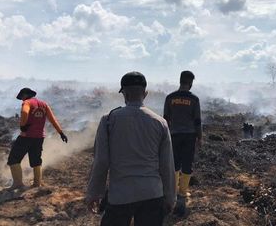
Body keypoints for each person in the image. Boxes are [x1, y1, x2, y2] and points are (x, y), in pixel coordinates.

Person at [86, 71, 175, 226]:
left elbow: (101, 161)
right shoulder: (160, 123)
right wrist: (170, 197)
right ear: (145, 94)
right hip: (152, 194)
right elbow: (167, 165)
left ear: (124, 94)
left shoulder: (108, 120)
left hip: (120, 195)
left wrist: (94, 193)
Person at [7, 88, 68, 188]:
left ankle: (18, 184)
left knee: (13, 159)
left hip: (26, 137)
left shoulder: (27, 103)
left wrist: (22, 126)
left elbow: (25, 112)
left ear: (25, 95)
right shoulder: (44, 104)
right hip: (39, 137)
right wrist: (61, 133)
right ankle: (37, 184)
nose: (22, 100)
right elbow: (53, 120)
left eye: (22, 97)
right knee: (36, 160)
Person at [163, 70, 202, 216]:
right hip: (189, 136)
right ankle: (183, 193)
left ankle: (173, 191)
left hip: (173, 135)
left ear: (180, 81)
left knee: (174, 163)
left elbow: (165, 119)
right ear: (190, 83)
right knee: (187, 163)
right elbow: (197, 120)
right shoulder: (194, 99)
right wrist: (200, 137)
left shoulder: (170, 98)